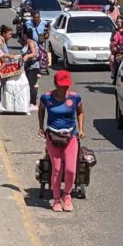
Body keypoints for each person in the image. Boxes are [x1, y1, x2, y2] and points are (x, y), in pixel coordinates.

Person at [38, 70, 85, 213]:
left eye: (66, 85)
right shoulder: (46, 98)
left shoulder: (75, 97)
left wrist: (81, 129)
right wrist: (41, 127)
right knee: (57, 169)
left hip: (70, 136)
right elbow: (41, 111)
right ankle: (56, 198)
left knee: (70, 169)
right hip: (53, 136)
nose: (64, 88)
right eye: (61, 85)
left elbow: (80, 112)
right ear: (55, 84)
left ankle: (67, 194)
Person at [22, 27, 42, 108]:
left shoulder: (30, 42)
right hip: (28, 66)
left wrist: (27, 56)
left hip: (33, 67)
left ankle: (33, 103)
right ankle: (29, 101)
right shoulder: (27, 42)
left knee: (31, 85)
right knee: (29, 84)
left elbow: (34, 53)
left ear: (25, 35)